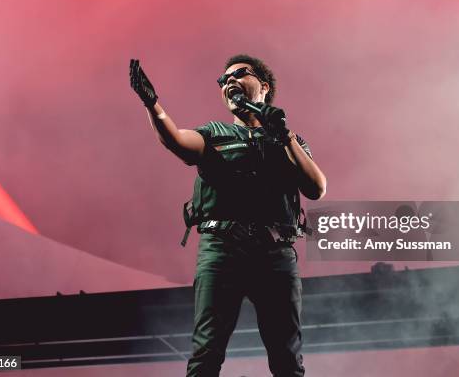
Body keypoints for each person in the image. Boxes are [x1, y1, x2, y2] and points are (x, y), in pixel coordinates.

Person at [129, 54, 327, 377]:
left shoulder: (287, 141)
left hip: (275, 253)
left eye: (238, 75)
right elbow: (177, 141)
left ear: (263, 87)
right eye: (223, 81)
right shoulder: (214, 134)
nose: (228, 82)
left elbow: (317, 187)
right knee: (206, 353)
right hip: (222, 249)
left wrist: (285, 134)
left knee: (287, 358)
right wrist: (153, 106)